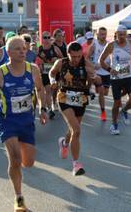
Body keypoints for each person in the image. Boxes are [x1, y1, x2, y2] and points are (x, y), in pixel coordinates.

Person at [0, 36, 47, 212]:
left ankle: (18, 168)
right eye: (18, 49)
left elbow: (40, 90)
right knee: (15, 159)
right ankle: (19, 198)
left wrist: (43, 109)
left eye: (24, 48)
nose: (23, 51)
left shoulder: (33, 69)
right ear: (8, 52)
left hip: (27, 120)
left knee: (28, 163)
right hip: (8, 121)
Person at [49, 42, 97, 175]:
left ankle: (64, 142)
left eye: (78, 56)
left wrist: (93, 78)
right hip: (64, 97)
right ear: (68, 54)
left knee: (73, 131)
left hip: (81, 99)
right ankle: (76, 165)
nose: (76, 59)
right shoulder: (61, 63)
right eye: (73, 57)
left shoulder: (87, 64)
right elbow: (52, 73)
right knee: (77, 130)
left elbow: (94, 80)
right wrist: (53, 81)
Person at [99, 25, 131, 135]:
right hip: (116, 74)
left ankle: (125, 110)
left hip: (129, 75)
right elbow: (101, 60)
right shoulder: (111, 45)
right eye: (120, 34)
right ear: (116, 34)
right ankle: (114, 124)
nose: (122, 36)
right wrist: (109, 69)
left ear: (126, 34)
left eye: (124, 34)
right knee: (116, 103)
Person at [38, 31, 63, 119]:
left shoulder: (54, 48)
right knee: (47, 91)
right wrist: (39, 63)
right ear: (42, 38)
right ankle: (49, 109)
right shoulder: (39, 49)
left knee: (52, 90)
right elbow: (35, 59)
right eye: (45, 37)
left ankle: (52, 103)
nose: (47, 39)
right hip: (42, 73)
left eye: (49, 37)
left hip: (52, 72)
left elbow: (62, 58)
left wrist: (56, 60)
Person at [87, 27, 110, 121]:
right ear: (97, 35)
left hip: (107, 72)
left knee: (105, 93)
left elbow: (115, 59)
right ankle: (103, 112)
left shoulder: (109, 45)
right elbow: (87, 58)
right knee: (101, 92)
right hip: (97, 73)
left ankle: (91, 91)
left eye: (104, 34)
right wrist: (93, 66)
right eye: (101, 34)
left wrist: (113, 67)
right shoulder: (94, 45)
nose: (103, 36)